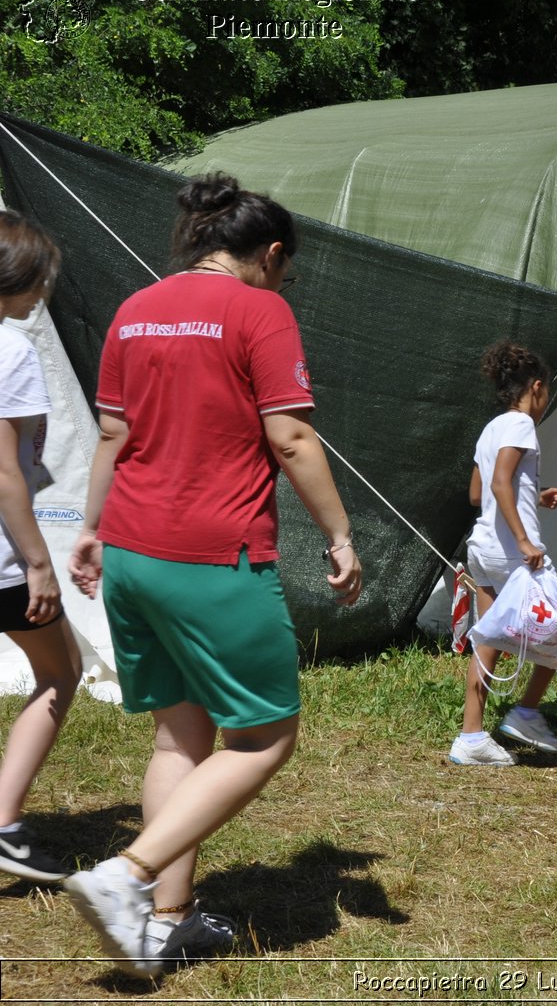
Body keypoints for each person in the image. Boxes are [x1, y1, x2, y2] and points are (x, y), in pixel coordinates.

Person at [64, 173, 363, 976]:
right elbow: (292, 438)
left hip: (129, 551)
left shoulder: (134, 308)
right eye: (285, 269)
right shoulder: (260, 310)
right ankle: (124, 877)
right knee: (264, 736)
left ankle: (167, 919)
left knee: (179, 734)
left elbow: (110, 436)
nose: (282, 282)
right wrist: (339, 534)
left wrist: (89, 530)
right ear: (269, 253)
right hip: (211, 556)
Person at [0, 211, 81, 885]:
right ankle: (4, 823)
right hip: (0, 559)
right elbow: (4, 472)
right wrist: (36, 562)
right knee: (61, 670)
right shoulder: (12, 350)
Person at [450, 341, 557, 766]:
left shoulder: (492, 428)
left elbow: (477, 491)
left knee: (490, 640)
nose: (546, 401)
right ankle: (526, 713)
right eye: (547, 392)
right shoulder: (521, 425)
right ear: (536, 387)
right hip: (508, 554)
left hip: (483, 548)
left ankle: (472, 735)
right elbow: (500, 483)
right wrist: (523, 539)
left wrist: (533, 496)